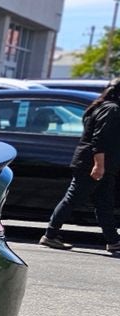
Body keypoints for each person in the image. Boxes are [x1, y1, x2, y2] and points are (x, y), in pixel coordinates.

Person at [40, 78, 120, 256]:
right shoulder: (112, 109)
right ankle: (50, 235)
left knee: (104, 203)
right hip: (93, 164)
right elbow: (100, 140)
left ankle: (114, 241)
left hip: (102, 165)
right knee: (73, 198)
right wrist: (99, 166)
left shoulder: (101, 106)